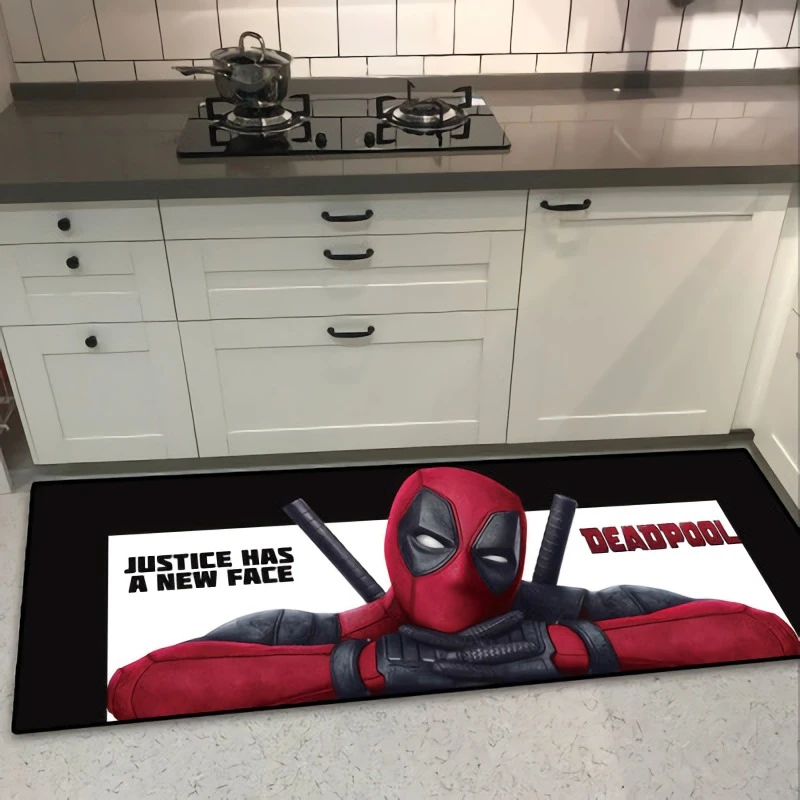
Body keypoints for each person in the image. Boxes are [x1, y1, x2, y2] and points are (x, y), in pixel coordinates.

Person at [108, 467, 799, 720]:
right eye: (434, 543)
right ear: (396, 540)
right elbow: (139, 688)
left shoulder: (571, 612)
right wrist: (368, 663)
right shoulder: (319, 631)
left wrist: (573, 644)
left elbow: (768, 635)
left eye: (493, 556)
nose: (464, 576)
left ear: (518, 557)